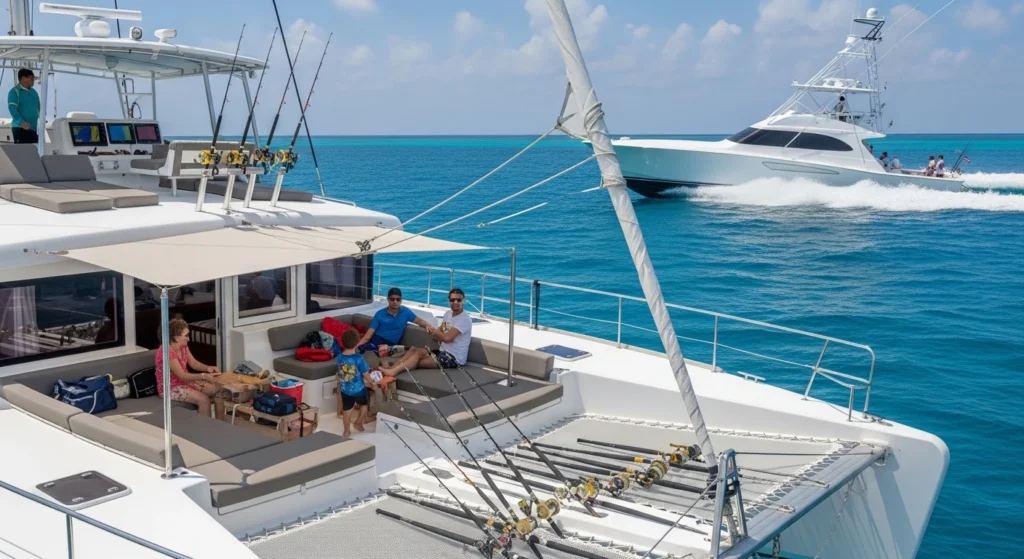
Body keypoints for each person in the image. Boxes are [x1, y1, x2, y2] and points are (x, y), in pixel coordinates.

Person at [379, 288, 472, 377]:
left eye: (458, 300)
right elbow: (437, 336)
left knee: (415, 361)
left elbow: (447, 338)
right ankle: (392, 367)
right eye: (452, 300)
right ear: (449, 301)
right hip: (442, 352)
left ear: (463, 301)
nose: (455, 302)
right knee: (413, 350)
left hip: (454, 358)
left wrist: (434, 331)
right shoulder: (448, 314)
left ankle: (393, 371)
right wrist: (434, 333)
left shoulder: (465, 319)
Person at [155, 318, 221, 416]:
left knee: (218, 390)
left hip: (186, 382)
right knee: (204, 400)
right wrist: (203, 376)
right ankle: (205, 429)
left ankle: (220, 423)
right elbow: (182, 375)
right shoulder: (166, 352)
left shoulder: (183, 346)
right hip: (171, 388)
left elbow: (194, 363)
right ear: (176, 337)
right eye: (186, 335)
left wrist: (208, 368)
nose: (188, 339)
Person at [356, 287, 433, 354]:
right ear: (388, 300)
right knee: (363, 350)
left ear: (401, 300)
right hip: (377, 341)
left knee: (412, 350)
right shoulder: (379, 314)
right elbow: (367, 336)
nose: (395, 302)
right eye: (392, 299)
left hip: (391, 345)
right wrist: (355, 347)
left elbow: (419, 321)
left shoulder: (406, 312)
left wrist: (428, 326)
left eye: (398, 299)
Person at [336, 329, 373, 437]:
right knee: (364, 404)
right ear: (357, 343)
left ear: (342, 342)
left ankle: (346, 431)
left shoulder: (339, 357)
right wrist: (372, 381)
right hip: (359, 389)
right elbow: (365, 373)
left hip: (345, 389)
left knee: (346, 410)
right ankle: (358, 422)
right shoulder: (358, 358)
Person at [8, 69, 40, 144]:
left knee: (35, 153)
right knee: (23, 153)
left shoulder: (34, 92)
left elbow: (38, 108)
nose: (33, 80)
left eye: (33, 78)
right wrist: (21, 122)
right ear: (23, 78)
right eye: (31, 78)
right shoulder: (14, 91)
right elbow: (12, 109)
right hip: (20, 128)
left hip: (33, 128)